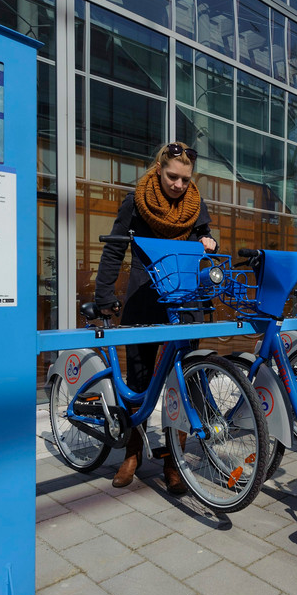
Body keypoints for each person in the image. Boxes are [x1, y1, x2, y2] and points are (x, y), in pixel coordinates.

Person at [94, 142, 217, 494]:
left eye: (185, 179)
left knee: (182, 379)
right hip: (144, 296)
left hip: (184, 297)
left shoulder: (195, 203)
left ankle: (173, 460)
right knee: (139, 378)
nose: (178, 185)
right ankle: (132, 454)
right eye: (172, 176)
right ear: (159, 169)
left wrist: (209, 240)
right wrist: (104, 295)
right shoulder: (136, 201)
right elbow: (115, 248)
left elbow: (204, 237)